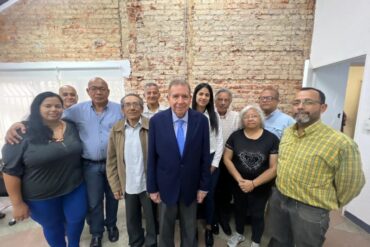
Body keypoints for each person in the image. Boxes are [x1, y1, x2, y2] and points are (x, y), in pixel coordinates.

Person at [5, 77, 123, 247]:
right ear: (88, 91)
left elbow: (136, 116)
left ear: (108, 91)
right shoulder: (76, 110)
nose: (98, 92)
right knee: (94, 202)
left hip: (112, 164)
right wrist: (17, 124)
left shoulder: (119, 109)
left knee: (113, 198)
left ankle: (111, 226)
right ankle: (96, 233)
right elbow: (42, 117)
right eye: (94, 88)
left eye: (102, 88)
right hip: (89, 165)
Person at [267, 87, 365, 247]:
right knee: (278, 240)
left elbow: (352, 184)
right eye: (296, 102)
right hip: (279, 198)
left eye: (308, 102)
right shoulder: (287, 133)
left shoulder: (340, 143)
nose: (300, 106)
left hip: (310, 209)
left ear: (323, 107)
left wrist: (325, 203)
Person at [2, 92, 87, 247]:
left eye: (58, 106)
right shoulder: (21, 133)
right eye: (48, 106)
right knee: (53, 226)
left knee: (77, 219)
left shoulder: (71, 126)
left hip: (74, 187)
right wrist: (17, 203)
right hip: (41, 196)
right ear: (37, 108)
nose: (53, 109)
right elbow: (10, 171)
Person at [147, 79, 211, 247]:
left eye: (184, 96)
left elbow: (205, 157)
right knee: (165, 227)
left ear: (190, 98)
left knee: (190, 228)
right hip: (166, 184)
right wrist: (152, 188)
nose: (180, 101)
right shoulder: (156, 121)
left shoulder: (201, 121)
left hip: (191, 185)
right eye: (175, 96)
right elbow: (152, 157)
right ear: (168, 98)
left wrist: (204, 187)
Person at [224, 104, 279, 247]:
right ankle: (239, 234)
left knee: (257, 213)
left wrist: (253, 183)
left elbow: (274, 168)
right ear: (242, 120)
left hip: (261, 185)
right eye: (246, 117)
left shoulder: (271, 139)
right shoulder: (235, 136)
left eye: (254, 116)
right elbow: (227, 159)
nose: (250, 119)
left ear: (260, 118)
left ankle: (256, 241)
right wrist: (239, 179)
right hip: (238, 183)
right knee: (239, 209)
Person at [106, 94, 157, 247]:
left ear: (142, 108)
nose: (132, 107)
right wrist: (115, 186)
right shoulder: (117, 129)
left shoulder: (152, 126)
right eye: (128, 105)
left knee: (151, 217)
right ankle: (135, 242)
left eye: (136, 104)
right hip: (128, 183)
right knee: (131, 218)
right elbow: (111, 160)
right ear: (122, 109)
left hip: (148, 182)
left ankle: (151, 242)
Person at [192, 83, 223, 247]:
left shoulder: (214, 115)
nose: (203, 97)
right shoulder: (187, 114)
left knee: (209, 196)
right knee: (193, 197)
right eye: (200, 94)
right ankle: (193, 229)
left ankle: (209, 228)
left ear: (210, 98)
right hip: (192, 162)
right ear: (195, 96)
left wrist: (215, 163)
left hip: (210, 160)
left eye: (207, 95)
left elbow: (220, 141)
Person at [214, 88, 240, 236]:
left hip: (230, 161)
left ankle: (224, 219)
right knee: (212, 191)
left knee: (225, 193)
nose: (223, 103)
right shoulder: (209, 115)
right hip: (213, 161)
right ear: (215, 101)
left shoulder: (236, 117)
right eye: (220, 100)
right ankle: (213, 220)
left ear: (230, 101)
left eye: (226, 100)